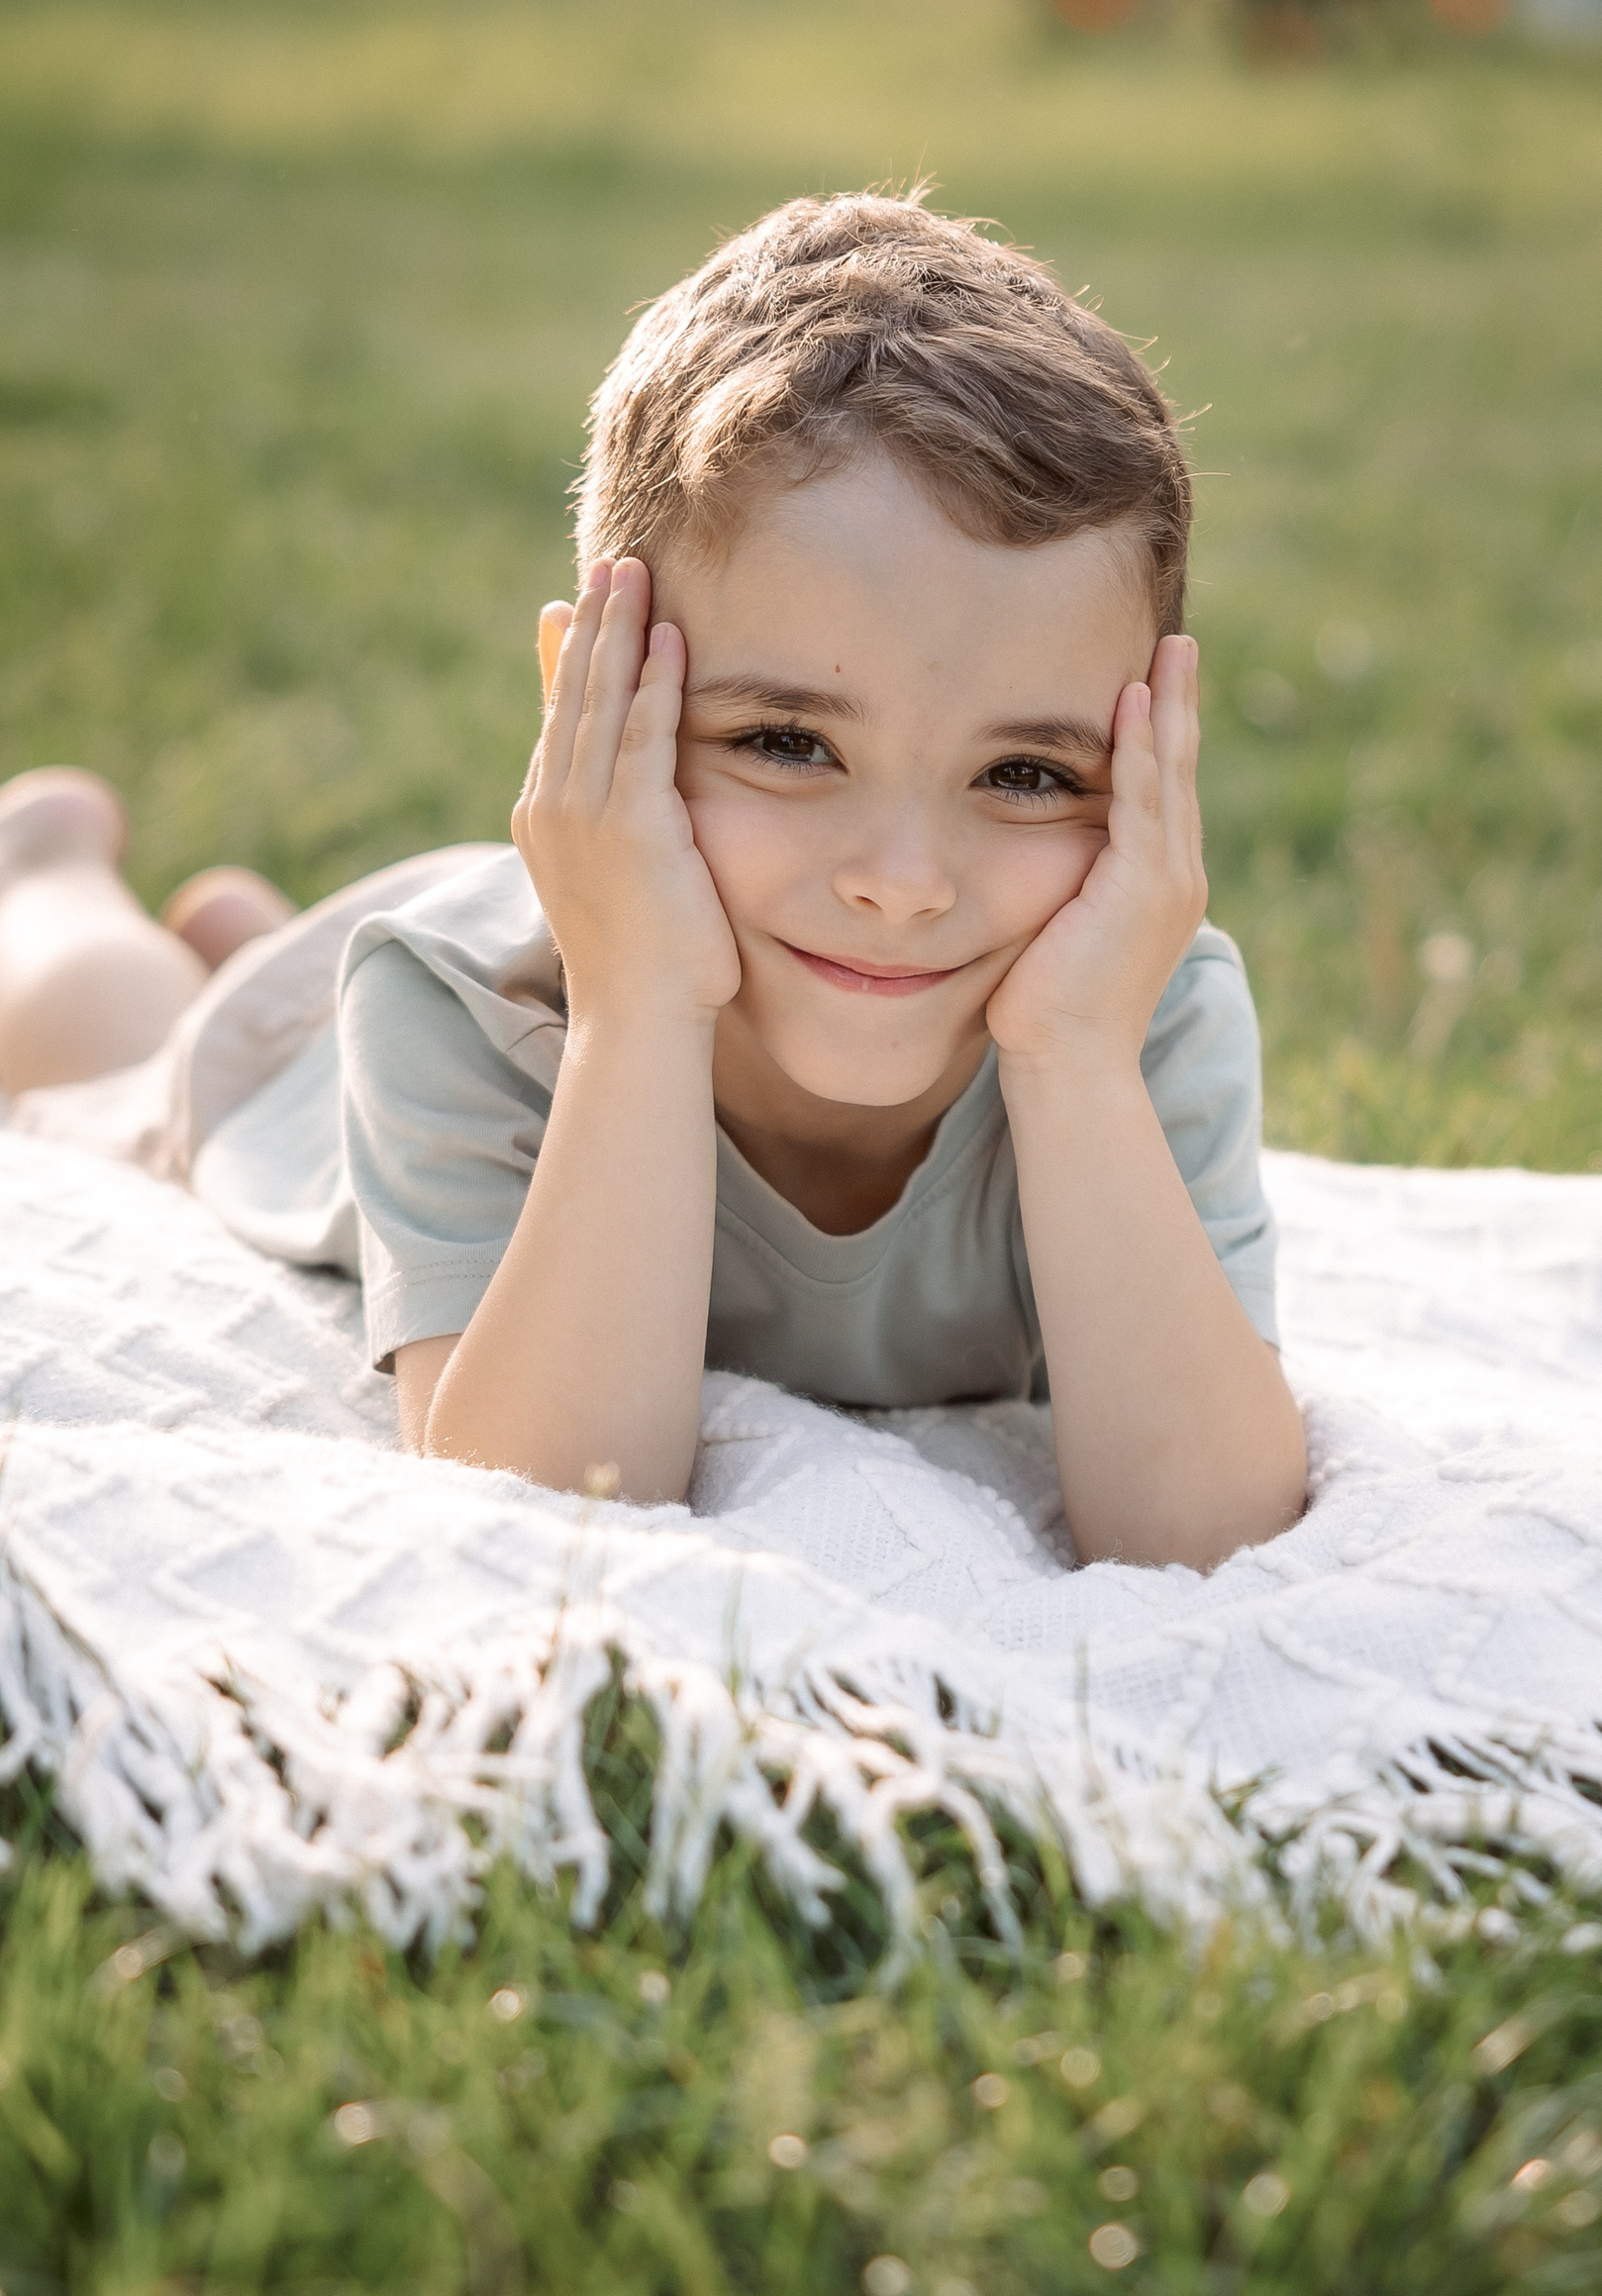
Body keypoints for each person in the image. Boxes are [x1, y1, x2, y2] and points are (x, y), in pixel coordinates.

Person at [0, 191, 1308, 1572]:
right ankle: (49, 864)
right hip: (346, 1050)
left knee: (257, 981)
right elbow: (560, 1503)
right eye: (788, 744)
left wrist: (1077, 1060)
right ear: (594, 695)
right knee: (114, 1027)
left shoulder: (1135, 1017)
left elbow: (1208, 1534)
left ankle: (246, 930)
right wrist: (634, 1011)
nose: (904, 883)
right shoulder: (474, 1012)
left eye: (1028, 773)